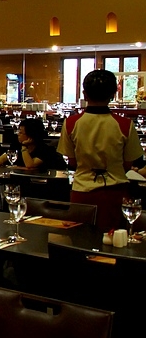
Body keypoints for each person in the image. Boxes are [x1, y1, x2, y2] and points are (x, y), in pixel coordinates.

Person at [57, 69, 146, 232]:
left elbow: (72, 161)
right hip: (115, 192)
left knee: (79, 238)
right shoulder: (125, 125)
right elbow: (128, 164)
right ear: (113, 94)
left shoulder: (71, 123)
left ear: (84, 94)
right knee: (112, 241)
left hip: (82, 190)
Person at [0, 118, 66, 171]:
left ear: (31, 136)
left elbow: (30, 165)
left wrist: (24, 147)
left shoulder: (45, 150)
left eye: (21, 133)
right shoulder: (16, 145)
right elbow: (3, 158)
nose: (18, 134)